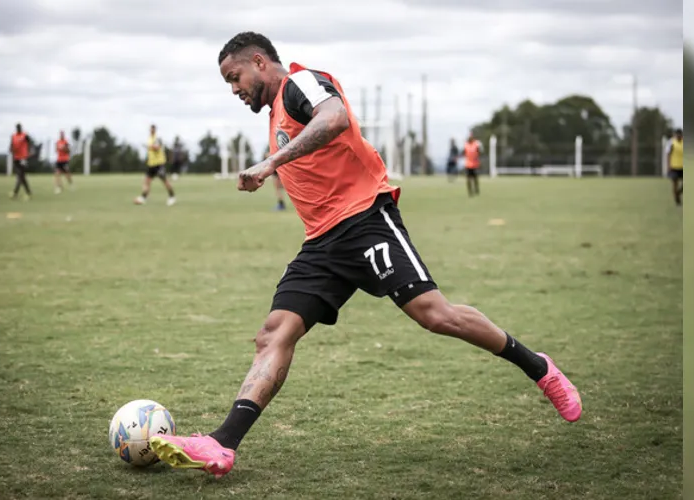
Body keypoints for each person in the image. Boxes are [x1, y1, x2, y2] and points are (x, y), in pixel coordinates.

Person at [148, 31, 582, 478]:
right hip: (322, 243)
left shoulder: (301, 83)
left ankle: (540, 368)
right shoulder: (277, 110)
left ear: (259, 62)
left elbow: (333, 118)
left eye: (234, 77)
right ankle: (222, 444)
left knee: (436, 316)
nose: (234, 89)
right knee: (274, 333)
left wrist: (270, 162)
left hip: (365, 220)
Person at [135, 124, 176, 206]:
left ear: (155, 130)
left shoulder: (157, 138)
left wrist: (149, 146)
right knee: (147, 181)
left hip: (159, 164)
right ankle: (144, 197)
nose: (151, 131)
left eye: (153, 129)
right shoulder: (149, 138)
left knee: (165, 181)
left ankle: (172, 196)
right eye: (150, 129)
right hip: (151, 164)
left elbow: (156, 147)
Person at [10, 123, 32, 200]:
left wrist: (29, 151)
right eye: (17, 128)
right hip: (16, 158)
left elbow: (30, 142)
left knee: (20, 175)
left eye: (20, 128)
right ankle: (28, 193)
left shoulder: (25, 135)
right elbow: (11, 146)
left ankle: (15, 193)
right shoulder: (13, 136)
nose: (19, 129)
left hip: (23, 158)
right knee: (22, 177)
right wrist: (12, 150)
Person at [666, 128, 683, 206]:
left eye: (680, 135)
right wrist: (668, 165)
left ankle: (678, 193)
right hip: (674, 166)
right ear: (675, 135)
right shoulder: (671, 142)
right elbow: (668, 154)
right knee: (675, 184)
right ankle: (677, 200)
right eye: (677, 135)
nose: (679, 137)